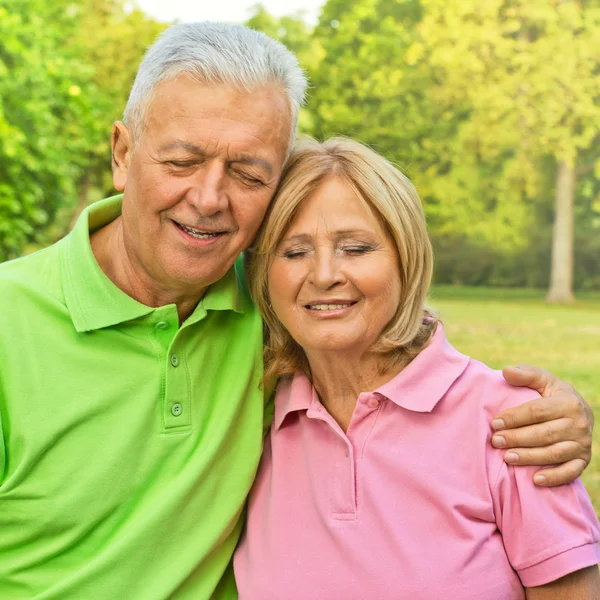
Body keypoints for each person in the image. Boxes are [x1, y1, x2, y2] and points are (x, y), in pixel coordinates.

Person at [0, 22, 593, 599]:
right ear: (123, 153)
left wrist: (546, 415)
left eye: (248, 173)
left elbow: (389, 345)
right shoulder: (13, 320)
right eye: (181, 161)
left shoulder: (270, 304)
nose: (208, 198)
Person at [234, 137, 600, 600]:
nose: (324, 273)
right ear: (263, 275)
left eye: (356, 248)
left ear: (407, 260)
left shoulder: (517, 425)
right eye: (294, 252)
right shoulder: (254, 415)